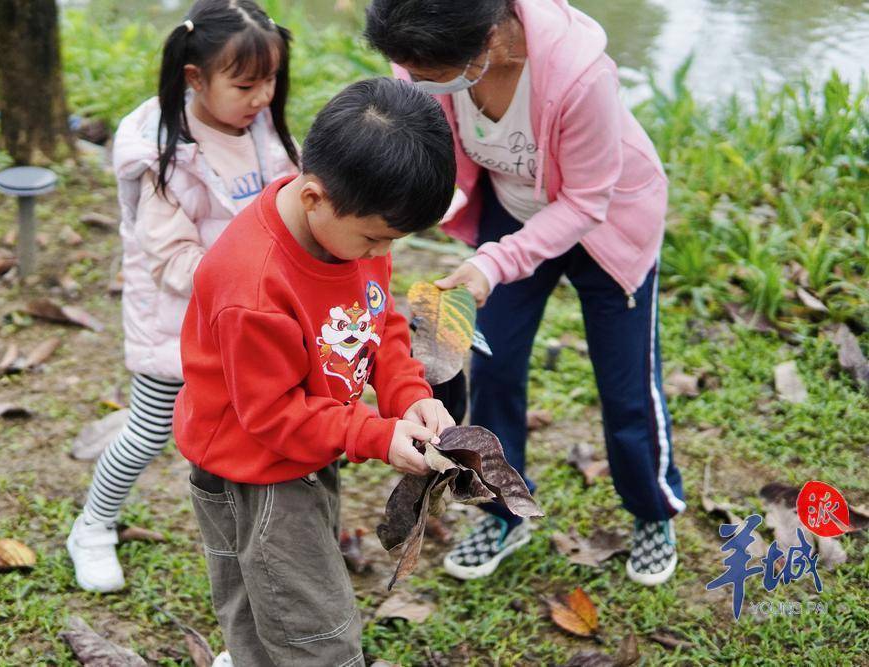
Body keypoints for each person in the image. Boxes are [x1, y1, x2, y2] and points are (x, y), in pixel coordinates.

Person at [364, 0, 686, 585]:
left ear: (488, 39)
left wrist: (493, 263)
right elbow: (416, 141)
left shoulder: (579, 75)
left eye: (428, 74)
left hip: (608, 227)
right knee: (495, 369)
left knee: (627, 389)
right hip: (510, 219)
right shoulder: (422, 54)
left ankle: (651, 512)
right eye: (405, 68)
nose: (414, 82)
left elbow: (587, 201)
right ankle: (502, 512)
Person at [174, 77, 457, 666]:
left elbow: (378, 322)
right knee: (314, 632)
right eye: (376, 239)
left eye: (393, 241)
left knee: (268, 599)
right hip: (255, 471)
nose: (382, 253)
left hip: (308, 443)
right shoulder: (252, 287)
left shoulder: (355, 225)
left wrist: (406, 395)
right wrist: (374, 434)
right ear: (312, 197)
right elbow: (272, 414)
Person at [67, 0, 299, 593]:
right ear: (195, 79)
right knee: (148, 431)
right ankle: (93, 525)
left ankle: (257, 556)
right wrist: (250, 283)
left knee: (249, 435)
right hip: (179, 324)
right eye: (246, 84)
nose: (262, 96)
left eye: (270, 80)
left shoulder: (262, 129)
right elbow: (172, 260)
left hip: (249, 321)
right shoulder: (164, 157)